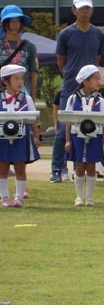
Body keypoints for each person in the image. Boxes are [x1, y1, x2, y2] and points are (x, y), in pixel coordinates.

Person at [51, 0, 104, 183]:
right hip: (70, 86)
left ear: (92, 10)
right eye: (81, 8)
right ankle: (57, 168)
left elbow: (97, 60)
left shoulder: (98, 34)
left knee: (85, 128)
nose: (85, 11)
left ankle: (78, 168)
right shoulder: (65, 34)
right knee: (63, 129)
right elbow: (61, 61)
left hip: (90, 89)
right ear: (74, 10)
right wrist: (71, 79)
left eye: (87, 8)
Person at [64, 65, 104, 207]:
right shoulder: (72, 99)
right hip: (77, 137)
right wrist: (67, 140)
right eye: (95, 78)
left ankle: (89, 197)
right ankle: (79, 196)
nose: (98, 81)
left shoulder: (99, 100)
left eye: (98, 78)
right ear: (85, 81)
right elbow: (68, 121)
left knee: (91, 166)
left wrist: (103, 140)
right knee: (79, 165)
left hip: (95, 137)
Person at [0, 65, 40, 208]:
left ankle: (19, 197)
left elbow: (34, 119)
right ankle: (4, 197)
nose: (20, 82)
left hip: (21, 137)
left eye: (21, 79)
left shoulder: (26, 99)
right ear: (6, 81)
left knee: (20, 168)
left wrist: (36, 136)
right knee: (2, 168)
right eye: (16, 79)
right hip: (2, 139)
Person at [0, 5, 39, 100]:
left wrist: (32, 99)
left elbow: (32, 75)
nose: (15, 24)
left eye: (18, 21)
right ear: (5, 23)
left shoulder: (30, 46)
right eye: (11, 21)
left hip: (23, 95)